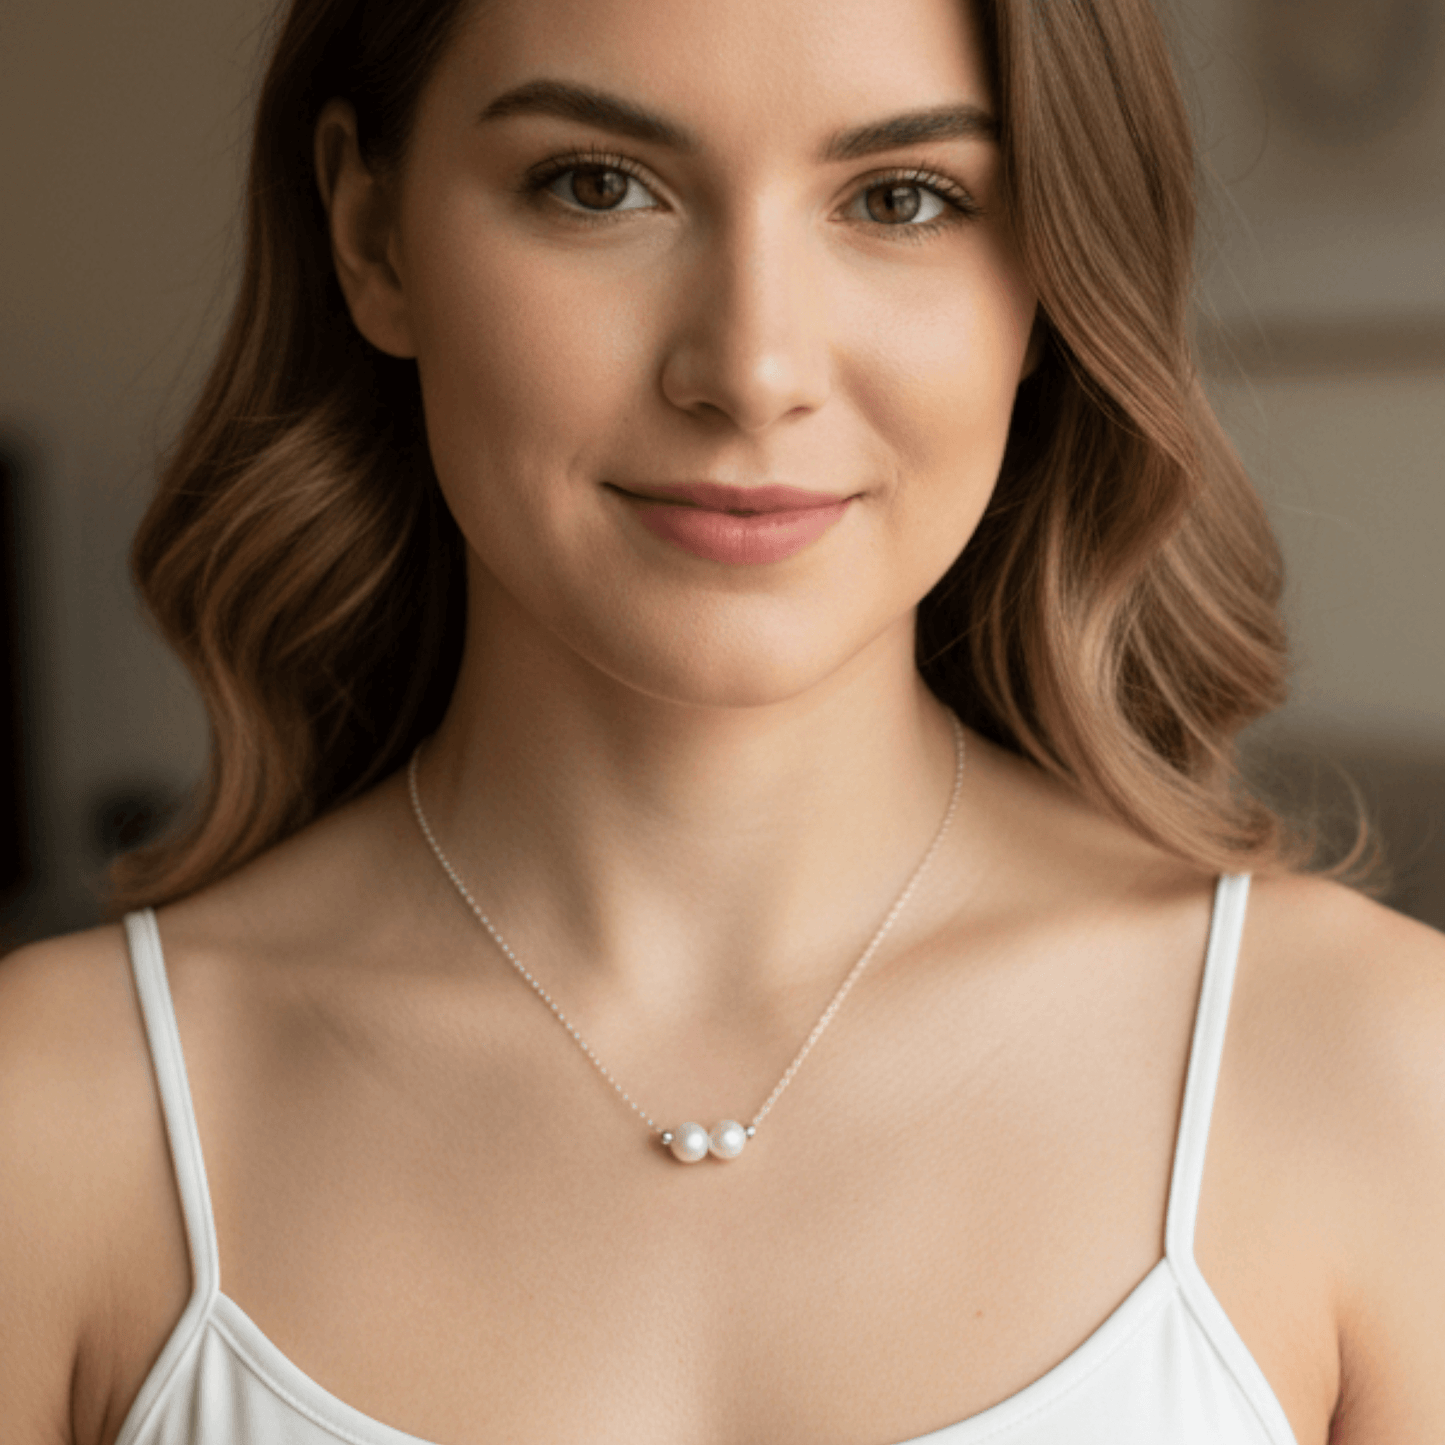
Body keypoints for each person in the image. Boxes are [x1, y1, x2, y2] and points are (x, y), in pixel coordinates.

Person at [3, 0, 1443, 1440]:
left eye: (902, 198)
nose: (752, 369)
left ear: (1051, 280)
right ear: (373, 235)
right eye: (598, 184)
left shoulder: (1382, 1075)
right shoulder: (54, 1125)